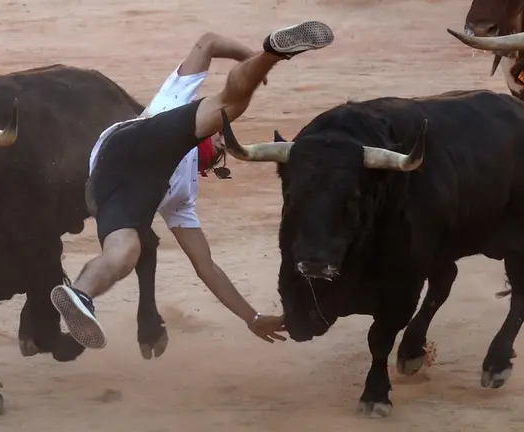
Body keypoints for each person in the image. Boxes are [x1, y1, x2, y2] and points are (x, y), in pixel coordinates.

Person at [51, 21, 335, 350]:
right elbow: (209, 42)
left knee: (124, 255)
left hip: (113, 191)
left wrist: (251, 317)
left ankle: (80, 296)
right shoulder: (176, 100)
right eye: (221, 139)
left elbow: (207, 267)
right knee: (232, 106)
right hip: (132, 144)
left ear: (210, 168)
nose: (222, 142)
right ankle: (272, 52)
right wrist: (252, 55)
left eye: (221, 147)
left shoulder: (183, 197)